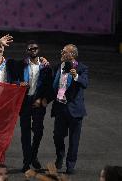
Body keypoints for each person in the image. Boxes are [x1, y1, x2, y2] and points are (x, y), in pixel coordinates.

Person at [51, 44, 88, 174]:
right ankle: (60, 155)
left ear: (72, 55)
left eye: (64, 51)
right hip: (60, 107)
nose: (61, 52)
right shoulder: (57, 67)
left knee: (74, 140)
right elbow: (52, 86)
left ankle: (70, 165)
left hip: (75, 110)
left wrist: (76, 76)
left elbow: (85, 83)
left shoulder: (81, 68)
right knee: (57, 136)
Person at [18, 41, 53, 173]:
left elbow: (50, 86)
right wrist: (19, 83)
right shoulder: (21, 64)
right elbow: (14, 77)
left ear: (39, 50)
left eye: (35, 48)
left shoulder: (46, 67)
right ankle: (26, 162)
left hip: (38, 102)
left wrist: (44, 100)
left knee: (38, 131)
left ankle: (33, 155)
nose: (33, 50)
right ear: (27, 51)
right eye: (30, 48)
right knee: (25, 133)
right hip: (25, 101)